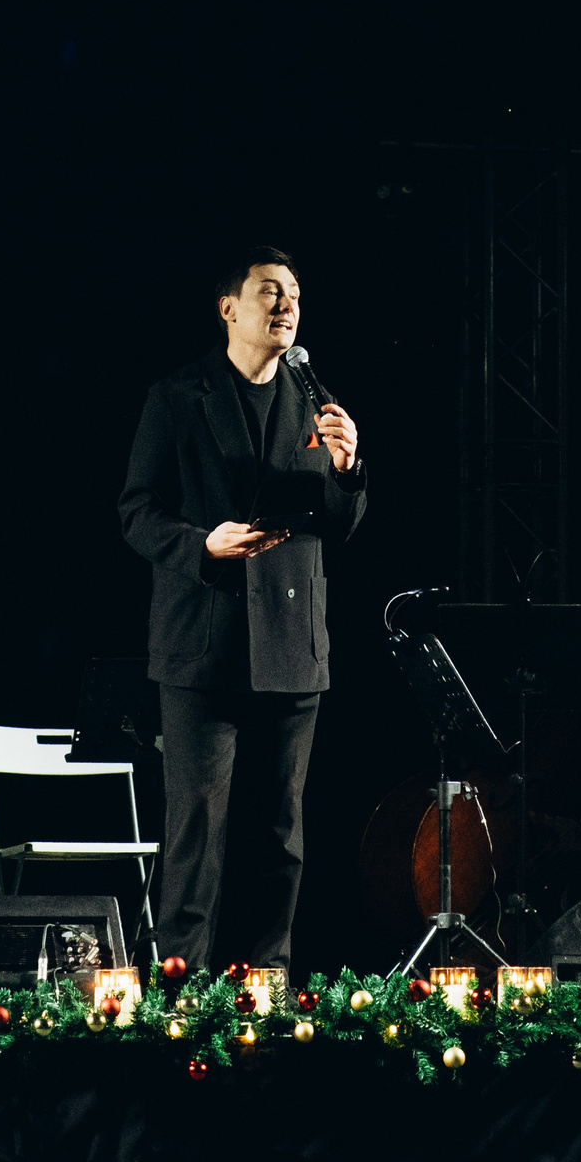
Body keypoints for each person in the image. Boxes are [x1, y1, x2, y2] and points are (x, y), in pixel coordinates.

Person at [116, 246, 367, 971]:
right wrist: (202, 544)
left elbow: (339, 524)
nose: (285, 304)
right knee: (197, 830)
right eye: (268, 291)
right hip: (204, 645)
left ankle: (268, 986)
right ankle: (181, 990)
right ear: (230, 308)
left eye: (293, 292)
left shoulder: (313, 399)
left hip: (292, 645)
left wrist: (350, 468)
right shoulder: (177, 396)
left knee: (280, 835)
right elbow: (136, 511)